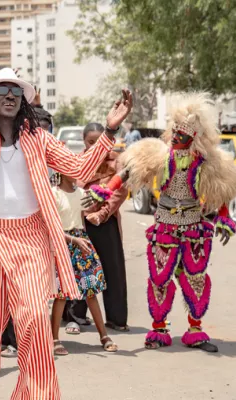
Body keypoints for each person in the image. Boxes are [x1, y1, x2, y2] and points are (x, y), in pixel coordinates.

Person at [0, 68, 132, 400]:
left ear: (23, 99)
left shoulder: (39, 139)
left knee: (36, 319)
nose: (10, 95)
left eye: (16, 91)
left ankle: (35, 395)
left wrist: (110, 128)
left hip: (31, 240)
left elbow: (80, 169)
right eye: (2, 90)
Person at [107, 93, 236, 352]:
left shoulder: (209, 163)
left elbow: (221, 190)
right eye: (176, 133)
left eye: (184, 135)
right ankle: (159, 329)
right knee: (160, 279)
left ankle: (195, 330)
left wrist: (224, 218)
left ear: (195, 138)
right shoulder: (158, 155)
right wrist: (105, 192)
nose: (178, 138)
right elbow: (127, 172)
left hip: (193, 227)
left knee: (195, 279)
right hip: (165, 227)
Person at [49, 171, 117, 355]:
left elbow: (83, 218)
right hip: (63, 244)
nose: (76, 174)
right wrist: (73, 240)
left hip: (81, 242)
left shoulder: (81, 193)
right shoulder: (52, 194)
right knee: (61, 294)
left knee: (91, 291)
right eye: (70, 171)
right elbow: (50, 228)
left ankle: (104, 336)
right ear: (61, 173)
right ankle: (54, 339)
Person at [80, 123, 130, 333]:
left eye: (99, 141)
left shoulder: (118, 160)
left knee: (113, 270)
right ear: (84, 141)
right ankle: (76, 316)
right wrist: (85, 214)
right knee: (80, 268)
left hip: (106, 221)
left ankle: (116, 318)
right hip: (81, 222)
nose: (94, 146)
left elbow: (120, 191)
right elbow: (72, 186)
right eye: (91, 142)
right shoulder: (79, 160)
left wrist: (101, 214)